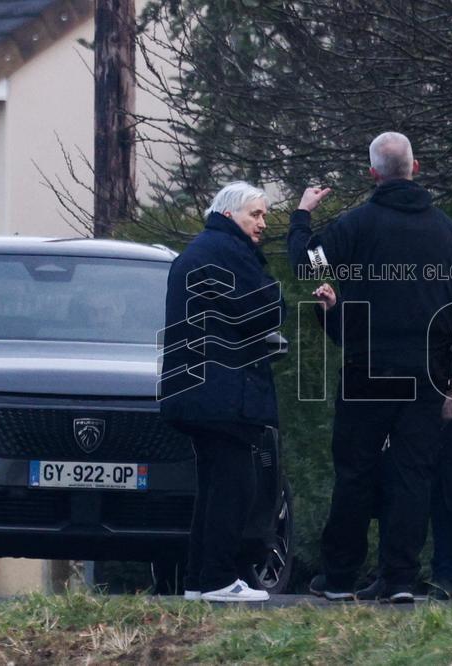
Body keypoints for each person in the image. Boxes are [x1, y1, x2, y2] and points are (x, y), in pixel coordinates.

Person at [288, 131, 452, 602]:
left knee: (355, 471)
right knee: (412, 475)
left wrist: (301, 214)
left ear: (373, 173)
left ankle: (339, 576)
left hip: (367, 371)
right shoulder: (447, 233)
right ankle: (400, 578)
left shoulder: (356, 225)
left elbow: (305, 264)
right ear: (415, 169)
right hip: (426, 375)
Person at [312, 283, 452, 601]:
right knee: (404, 477)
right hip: (416, 383)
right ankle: (396, 573)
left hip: (441, 383)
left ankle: (441, 572)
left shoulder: (441, 270)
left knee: (443, 480)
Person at [159, 182, 283, 603]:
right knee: (234, 487)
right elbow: (266, 310)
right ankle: (217, 579)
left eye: (264, 215)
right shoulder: (228, 253)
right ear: (230, 214)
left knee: (213, 487)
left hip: (197, 391)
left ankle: (198, 581)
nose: (262, 223)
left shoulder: (199, 250)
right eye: (256, 214)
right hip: (223, 392)